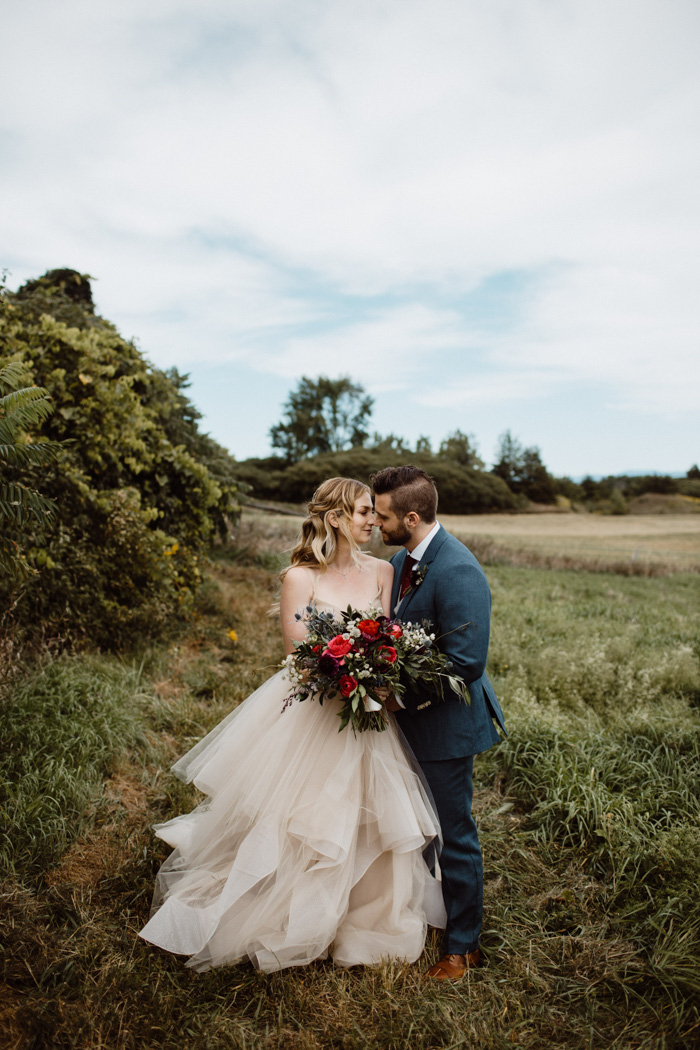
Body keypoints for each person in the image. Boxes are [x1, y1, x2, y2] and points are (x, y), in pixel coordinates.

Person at [138, 477, 446, 973]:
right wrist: (345, 672)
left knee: (369, 813)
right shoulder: (299, 577)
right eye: (365, 512)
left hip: (364, 714)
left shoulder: (384, 572)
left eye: (374, 513)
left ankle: (361, 913)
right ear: (335, 519)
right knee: (299, 815)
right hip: (312, 712)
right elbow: (298, 655)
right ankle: (284, 907)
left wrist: (378, 670)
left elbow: (385, 637)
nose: (373, 521)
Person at [371, 465, 506, 981]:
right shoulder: (403, 559)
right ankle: (426, 913)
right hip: (405, 726)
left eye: (384, 517)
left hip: (445, 726)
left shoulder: (458, 571)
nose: (378, 526)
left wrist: (398, 698)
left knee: (453, 834)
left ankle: (464, 946)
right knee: (418, 829)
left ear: (410, 516)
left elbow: (466, 662)